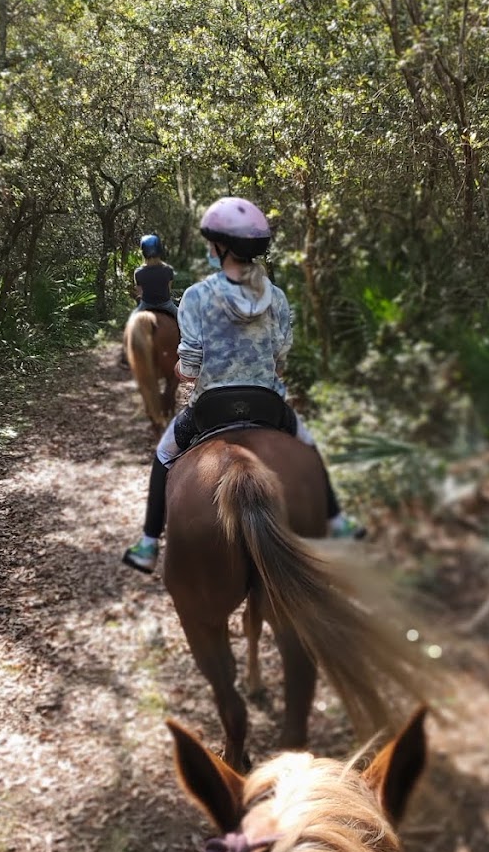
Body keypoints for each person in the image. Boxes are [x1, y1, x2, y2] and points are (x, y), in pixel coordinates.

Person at [122, 196, 365, 573]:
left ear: (221, 246)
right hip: (267, 404)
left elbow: (190, 363)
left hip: (210, 407)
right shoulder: (278, 298)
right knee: (309, 445)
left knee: (164, 455)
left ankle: (149, 544)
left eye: (210, 242)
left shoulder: (196, 296)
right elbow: (281, 359)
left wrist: (187, 373)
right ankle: (337, 520)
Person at [132, 234, 178, 318]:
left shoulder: (138, 272)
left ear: (143, 252)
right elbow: (168, 289)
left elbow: (140, 293)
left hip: (146, 305)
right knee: (182, 319)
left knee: (132, 322)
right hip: (166, 305)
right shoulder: (168, 270)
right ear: (159, 250)